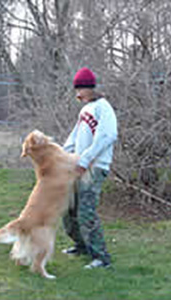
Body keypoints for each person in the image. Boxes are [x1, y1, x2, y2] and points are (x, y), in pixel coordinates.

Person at [62, 67, 118, 269]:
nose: (77, 94)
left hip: (94, 168)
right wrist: (61, 155)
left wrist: (85, 161)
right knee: (69, 211)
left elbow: (107, 136)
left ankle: (102, 258)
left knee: (86, 212)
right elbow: (74, 137)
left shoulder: (103, 108)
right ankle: (82, 246)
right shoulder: (85, 110)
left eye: (80, 89)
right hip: (79, 166)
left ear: (89, 88)